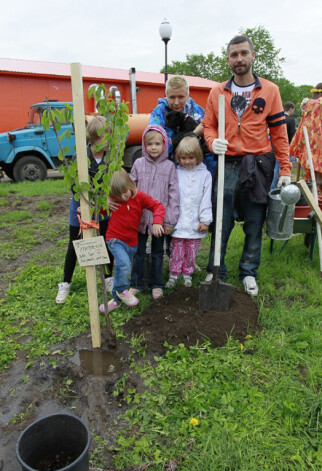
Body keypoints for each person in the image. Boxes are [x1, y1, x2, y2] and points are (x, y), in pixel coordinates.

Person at [203, 35, 291, 296]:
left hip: (259, 163)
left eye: (243, 53)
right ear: (228, 59)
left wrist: (285, 169)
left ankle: (249, 272)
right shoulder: (217, 91)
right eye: (233, 54)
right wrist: (211, 142)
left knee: (254, 220)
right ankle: (215, 268)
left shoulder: (270, 91)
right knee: (222, 219)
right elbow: (208, 124)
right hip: (227, 161)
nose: (239, 59)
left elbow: (278, 133)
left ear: (253, 56)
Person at [56, 116, 114, 304]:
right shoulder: (79, 157)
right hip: (80, 208)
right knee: (74, 244)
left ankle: (108, 278)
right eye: (103, 137)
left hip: (103, 209)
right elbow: (74, 186)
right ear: (93, 138)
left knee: (105, 242)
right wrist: (85, 201)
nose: (106, 142)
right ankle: (65, 283)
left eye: (109, 137)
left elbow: (112, 182)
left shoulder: (110, 158)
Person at [99, 169, 165, 314]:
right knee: (123, 264)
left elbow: (157, 206)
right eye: (117, 195)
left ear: (131, 185)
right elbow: (99, 211)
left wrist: (157, 222)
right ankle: (122, 290)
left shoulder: (139, 197)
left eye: (125, 192)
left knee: (122, 269)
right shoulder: (113, 200)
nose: (122, 197)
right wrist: (103, 203)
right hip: (115, 239)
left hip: (132, 243)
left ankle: (115, 301)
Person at [130, 124, 179, 299]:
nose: (153, 148)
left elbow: (174, 195)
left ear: (164, 144)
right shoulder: (138, 164)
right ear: (144, 145)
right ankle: (136, 283)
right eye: (150, 144)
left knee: (158, 253)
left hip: (160, 220)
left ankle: (156, 283)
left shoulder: (169, 167)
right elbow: (130, 189)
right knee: (138, 252)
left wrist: (169, 221)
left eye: (157, 144)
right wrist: (130, 215)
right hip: (140, 219)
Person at [165, 136, 212, 288]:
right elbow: (171, 197)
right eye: (183, 158)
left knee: (191, 251)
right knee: (176, 250)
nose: (186, 161)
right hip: (179, 221)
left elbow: (206, 198)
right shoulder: (176, 173)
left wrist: (205, 220)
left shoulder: (205, 175)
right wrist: (169, 219)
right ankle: (174, 273)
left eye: (191, 158)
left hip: (196, 222)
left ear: (198, 156)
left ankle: (187, 273)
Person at [149, 75, 215, 174]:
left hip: (196, 172)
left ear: (188, 95)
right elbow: (158, 148)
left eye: (181, 97)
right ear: (166, 95)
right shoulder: (159, 114)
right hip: (169, 173)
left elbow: (209, 144)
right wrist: (194, 133)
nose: (176, 102)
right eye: (172, 97)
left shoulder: (198, 112)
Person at [290, 83, 322, 193]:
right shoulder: (318, 103)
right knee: (317, 178)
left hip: (310, 144)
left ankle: (313, 199)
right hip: (317, 144)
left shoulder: (310, 104)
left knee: (314, 178)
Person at [271, 101, 296, 188]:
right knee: (283, 170)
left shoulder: (277, 118)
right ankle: (280, 189)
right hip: (284, 148)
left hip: (273, 147)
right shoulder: (290, 120)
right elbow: (293, 137)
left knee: (274, 169)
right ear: (291, 109)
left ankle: (272, 188)